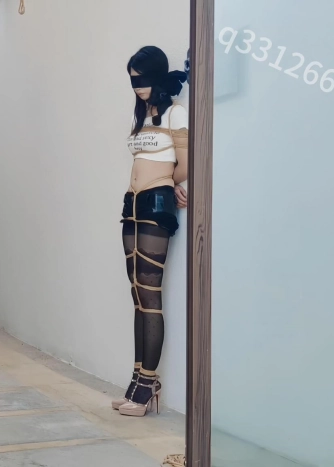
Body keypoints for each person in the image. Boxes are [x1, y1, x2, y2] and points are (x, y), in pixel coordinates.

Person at [112, 46, 188, 417]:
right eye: (132, 80)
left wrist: (171, 184)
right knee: (138, 297)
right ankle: (137, 381)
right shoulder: (139, 116)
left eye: (141, 80)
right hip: (132, 203)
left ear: (156, 76)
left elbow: (186, 162)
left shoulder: (176, 113)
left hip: (157, 203)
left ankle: (148, 384)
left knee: (150, 293)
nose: (137, 87)